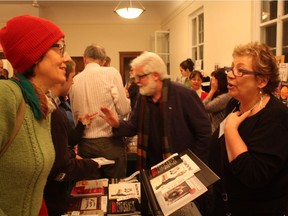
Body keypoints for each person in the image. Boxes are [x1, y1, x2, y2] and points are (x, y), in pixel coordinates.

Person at [0, 15, 68, 216]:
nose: (65, 58)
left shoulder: (40, 107)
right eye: (59, 48)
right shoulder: (7, 95)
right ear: (35, 55)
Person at [209, 42, 288, 215]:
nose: (230, 74)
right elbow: (216, 149)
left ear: (261, 80)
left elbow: (253, 176)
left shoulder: (275, 117)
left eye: (240, 71)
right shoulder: (234, 103)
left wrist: (231, 130)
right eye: (231, 68)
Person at [99, 51, 211, 170]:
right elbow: (134, 125)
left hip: (182, 167)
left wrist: (193, 164)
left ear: (156, 75)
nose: (136, 81)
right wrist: (117, 124)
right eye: (135, 77)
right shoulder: (143, 97)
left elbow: (204, 133)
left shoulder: (184, 94)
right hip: (152, 167)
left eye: (140, 76)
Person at [44, 58, 101, 216]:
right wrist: (91, 164)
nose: (73, 83)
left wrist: (82, 124)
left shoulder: (56, 105)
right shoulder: (53, 111)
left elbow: (67, 141)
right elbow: (60, 166)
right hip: (52, 195)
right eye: (72, 77)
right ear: (61, 77)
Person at [69, 44, 131, 178]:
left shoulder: (74, 81)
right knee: (115, 188)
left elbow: (76, 117)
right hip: (110, 143)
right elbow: (124, 109)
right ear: (103, 61)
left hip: (85, 144)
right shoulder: (111, 73)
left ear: (85, 59)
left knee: (90, 190)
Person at [203, 68, 231, 133]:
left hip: (217, 134)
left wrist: (212, 90)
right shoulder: (221, 95)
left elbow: (204, 107)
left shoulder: (226, 97)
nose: (211, 82)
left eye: (213, 80)